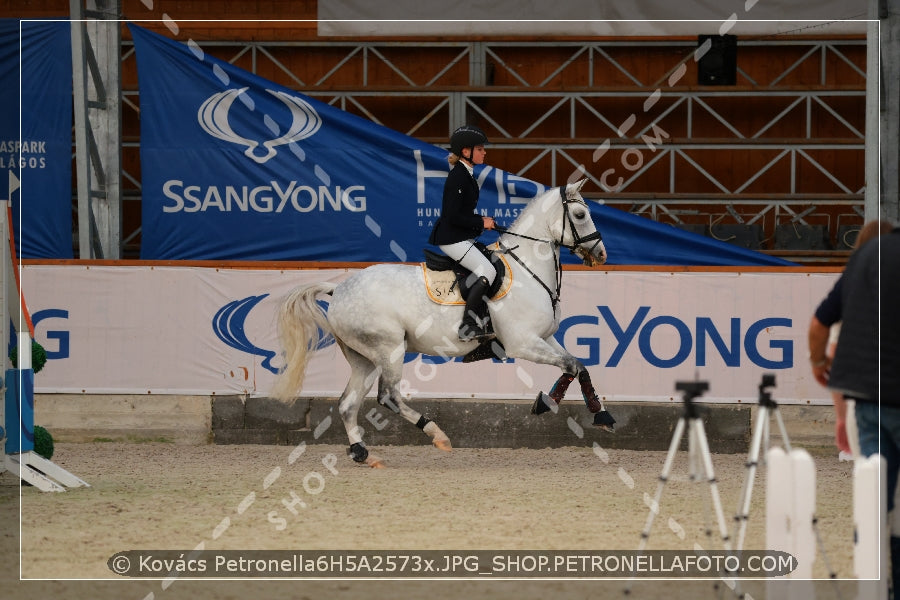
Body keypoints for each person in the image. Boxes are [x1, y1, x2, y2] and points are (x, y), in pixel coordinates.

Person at [808, 221, 900, 597]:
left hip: (868, 398)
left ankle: (871, 584)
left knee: (875, 496)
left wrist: (839, 411)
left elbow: (822, 331)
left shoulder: (862, 264)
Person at [428, 125, 497, 342]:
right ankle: (467, 326)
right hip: (451, 239)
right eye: (480, 148)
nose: (484, 152)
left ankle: (485, 320)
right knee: (488, 271)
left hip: (459, 236)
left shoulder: (466, 174)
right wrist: (480, 221)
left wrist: (481, 222)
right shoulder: (458, 176)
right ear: (466, 152)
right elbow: (452, 216)